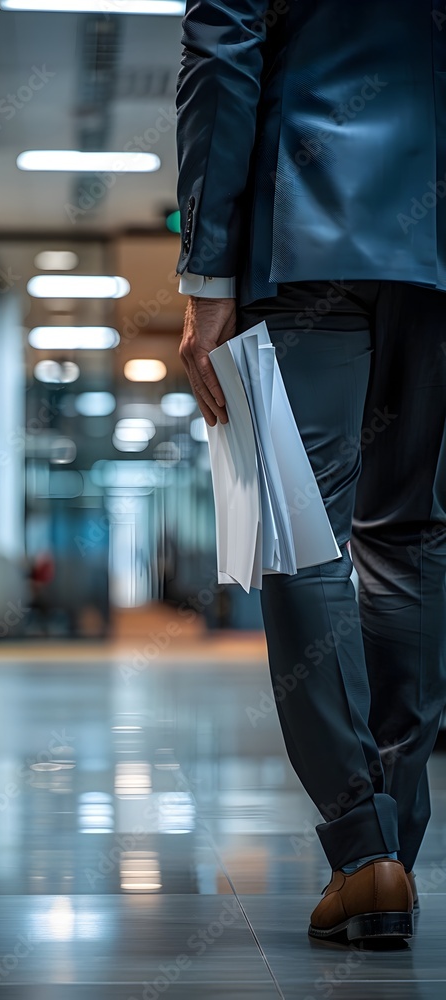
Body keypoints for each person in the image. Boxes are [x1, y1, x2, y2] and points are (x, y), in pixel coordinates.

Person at [176, 0, 446, 942]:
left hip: (309, 224)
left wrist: (206, 275)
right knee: (410, 533)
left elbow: (223, 48)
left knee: (297, 521)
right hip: (435, 241)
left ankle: (363, 847)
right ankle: (393, 853)